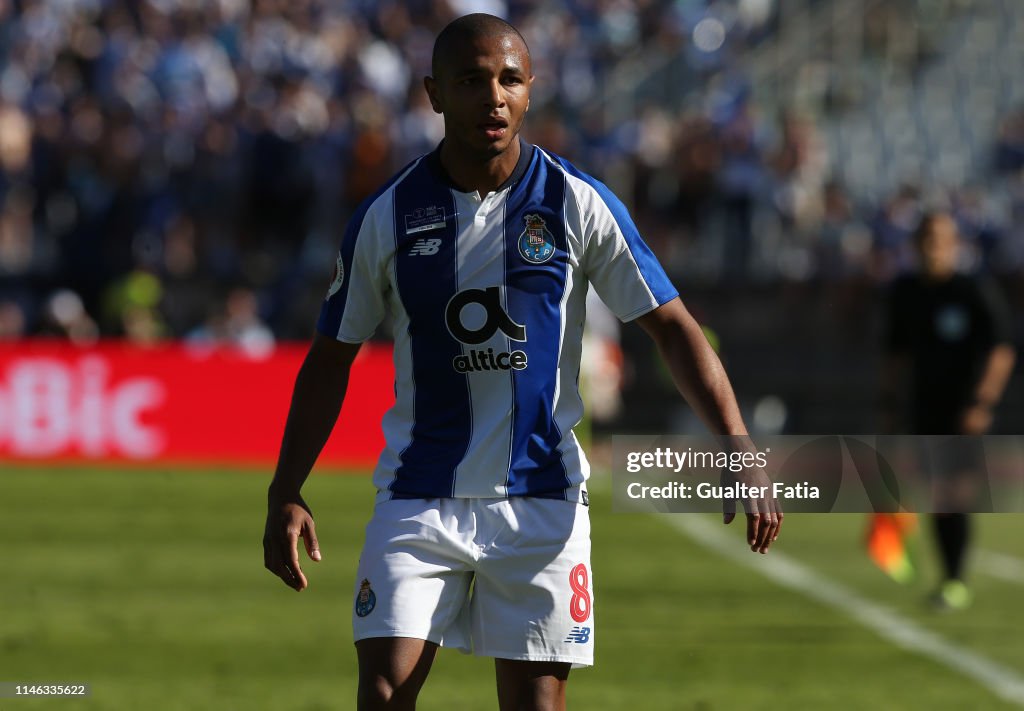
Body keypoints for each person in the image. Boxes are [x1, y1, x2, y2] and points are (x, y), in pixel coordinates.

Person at [263, 13, 781, 710]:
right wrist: (286, 488)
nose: (493, 96)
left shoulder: (577, 202)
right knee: (382, 693)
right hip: (420, 497)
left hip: (542, 499)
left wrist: (737, 444)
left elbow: (672, 326)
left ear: (531, 90)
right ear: (434, 93)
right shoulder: (387, 216)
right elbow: (330, 358)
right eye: (471, 81)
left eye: (509, 79)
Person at [881, 211, 1016, 610]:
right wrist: (888, 404)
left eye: (940, 238)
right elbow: (895, 354)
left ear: (954, 244)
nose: (932, 245)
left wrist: (982, 402)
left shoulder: (971, 290)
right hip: (924, 406)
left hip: (963, 409)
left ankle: (955, 579)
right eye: (925, 237)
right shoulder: (906, 291)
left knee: (954, 492)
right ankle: (950, 577)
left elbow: (1001, 349)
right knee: (937, 493)